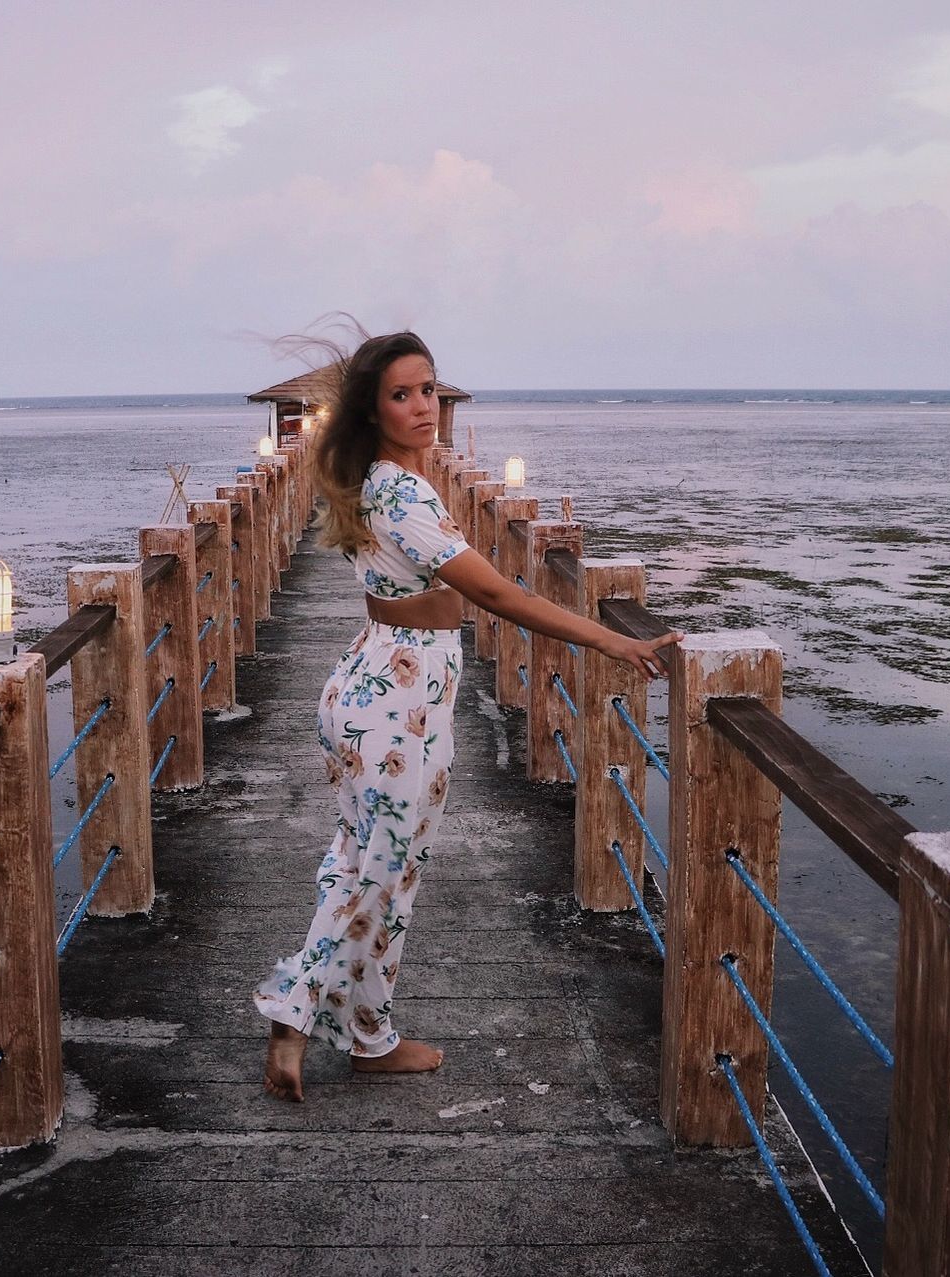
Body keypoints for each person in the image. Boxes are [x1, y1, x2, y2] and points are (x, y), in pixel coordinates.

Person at [253, 330, 681, 1102]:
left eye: (428, 390)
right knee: (380, 868)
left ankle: (371, 1037)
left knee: (381, 866)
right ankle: (294, 1008)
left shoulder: (395, 483)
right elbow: (498, 595)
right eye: (401, 395)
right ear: (373, 411)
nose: (422, 406)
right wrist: (614, 641)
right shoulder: (399, 490)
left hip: (397, 694)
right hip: (392, 704)